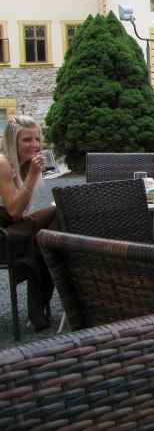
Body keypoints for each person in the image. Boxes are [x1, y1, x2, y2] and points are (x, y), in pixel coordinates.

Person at [0, 115, 60, 331]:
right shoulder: (3, 163)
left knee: (51, 232)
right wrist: (33, 175)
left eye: (37, 139)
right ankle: (40, 306)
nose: (34, 145)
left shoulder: (21, 165)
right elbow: (14, 211)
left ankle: (51, 251)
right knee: (51, 228)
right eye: (27, 140)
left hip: (14, 227)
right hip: (4, 236)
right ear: (12, 141)